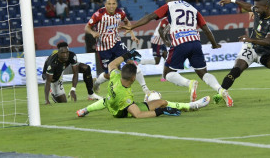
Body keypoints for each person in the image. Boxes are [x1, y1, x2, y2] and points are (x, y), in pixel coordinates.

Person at [122, 0, 233, 107]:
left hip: (180, 42)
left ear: (168, 0)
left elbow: (150, 17)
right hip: (195, 42)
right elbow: (206, 29)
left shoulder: (169, 6)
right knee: (203, 73)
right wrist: (214, 44)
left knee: (168, 73)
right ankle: (221, 90)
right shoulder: (193, 9)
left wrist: (132, 26)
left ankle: (189, 84)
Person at [76, 50, 211, 118]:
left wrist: (127, 55)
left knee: (107, 100)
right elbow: (138, 115)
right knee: (162, 102)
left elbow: (112, 64)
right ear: (134, 78)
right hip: (120, 111)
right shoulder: (125, 97)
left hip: (111, 102)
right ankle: (192, 105)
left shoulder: (116, 76)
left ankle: (84, 110)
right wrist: (160, 112)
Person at [218, 0, 270, 104]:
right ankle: (220, 93)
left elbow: (268, 41)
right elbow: (247, 6)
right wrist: (232, 0)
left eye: (257, 7)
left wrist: (250, 39)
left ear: (266, 6)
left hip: (266, 52)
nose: (254, 9)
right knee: (237, 69)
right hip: (251, 48)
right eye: (254, 7)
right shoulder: (258, 11)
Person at [85, 0, 150, 95]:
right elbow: (87, 27)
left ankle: (146, 89)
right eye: (109, 4)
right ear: (105, 4)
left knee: (131, 62)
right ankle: (97, 82)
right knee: (110, 74)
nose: (111, 6)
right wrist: (93, 33)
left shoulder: (120, 12)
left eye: (113, 4)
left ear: (117, 4)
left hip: (116, 43)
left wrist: (132, 34)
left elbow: (127, 22)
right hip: (103, 48)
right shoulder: (99, 14)